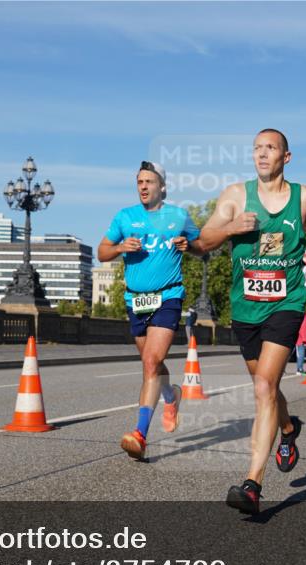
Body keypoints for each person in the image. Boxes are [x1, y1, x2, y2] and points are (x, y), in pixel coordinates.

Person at [198, 128, 306, 514]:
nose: (262, 155)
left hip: (288, 302)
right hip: (245, 308)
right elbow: (204, 240)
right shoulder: (234, 196)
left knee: (263, 386)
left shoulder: (305, 197)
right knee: (267, 386)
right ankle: (289, 428)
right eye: (257, 149)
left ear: (286, 157)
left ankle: (252, 484)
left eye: (271, 148)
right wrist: (231, 228)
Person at [98, 161, 206, 460]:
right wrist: (120, 248)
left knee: (150, 363)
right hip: (136, 300)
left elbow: (202, 247)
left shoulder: (178, 216)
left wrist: (189, 246)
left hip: (168, 296)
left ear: (162, 186)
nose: (143, 186)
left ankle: (140, 434)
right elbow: (101, 251)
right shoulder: (125, 217)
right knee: (153, 365)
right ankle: (171, 396)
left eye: (149, 181)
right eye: (139, 182)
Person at [295, 300, 306, 375]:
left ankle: (281, 368)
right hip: (299, 336)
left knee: (288, 352)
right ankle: (299, 369)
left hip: (298, 335)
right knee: (300, 352)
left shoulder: (297, 314)